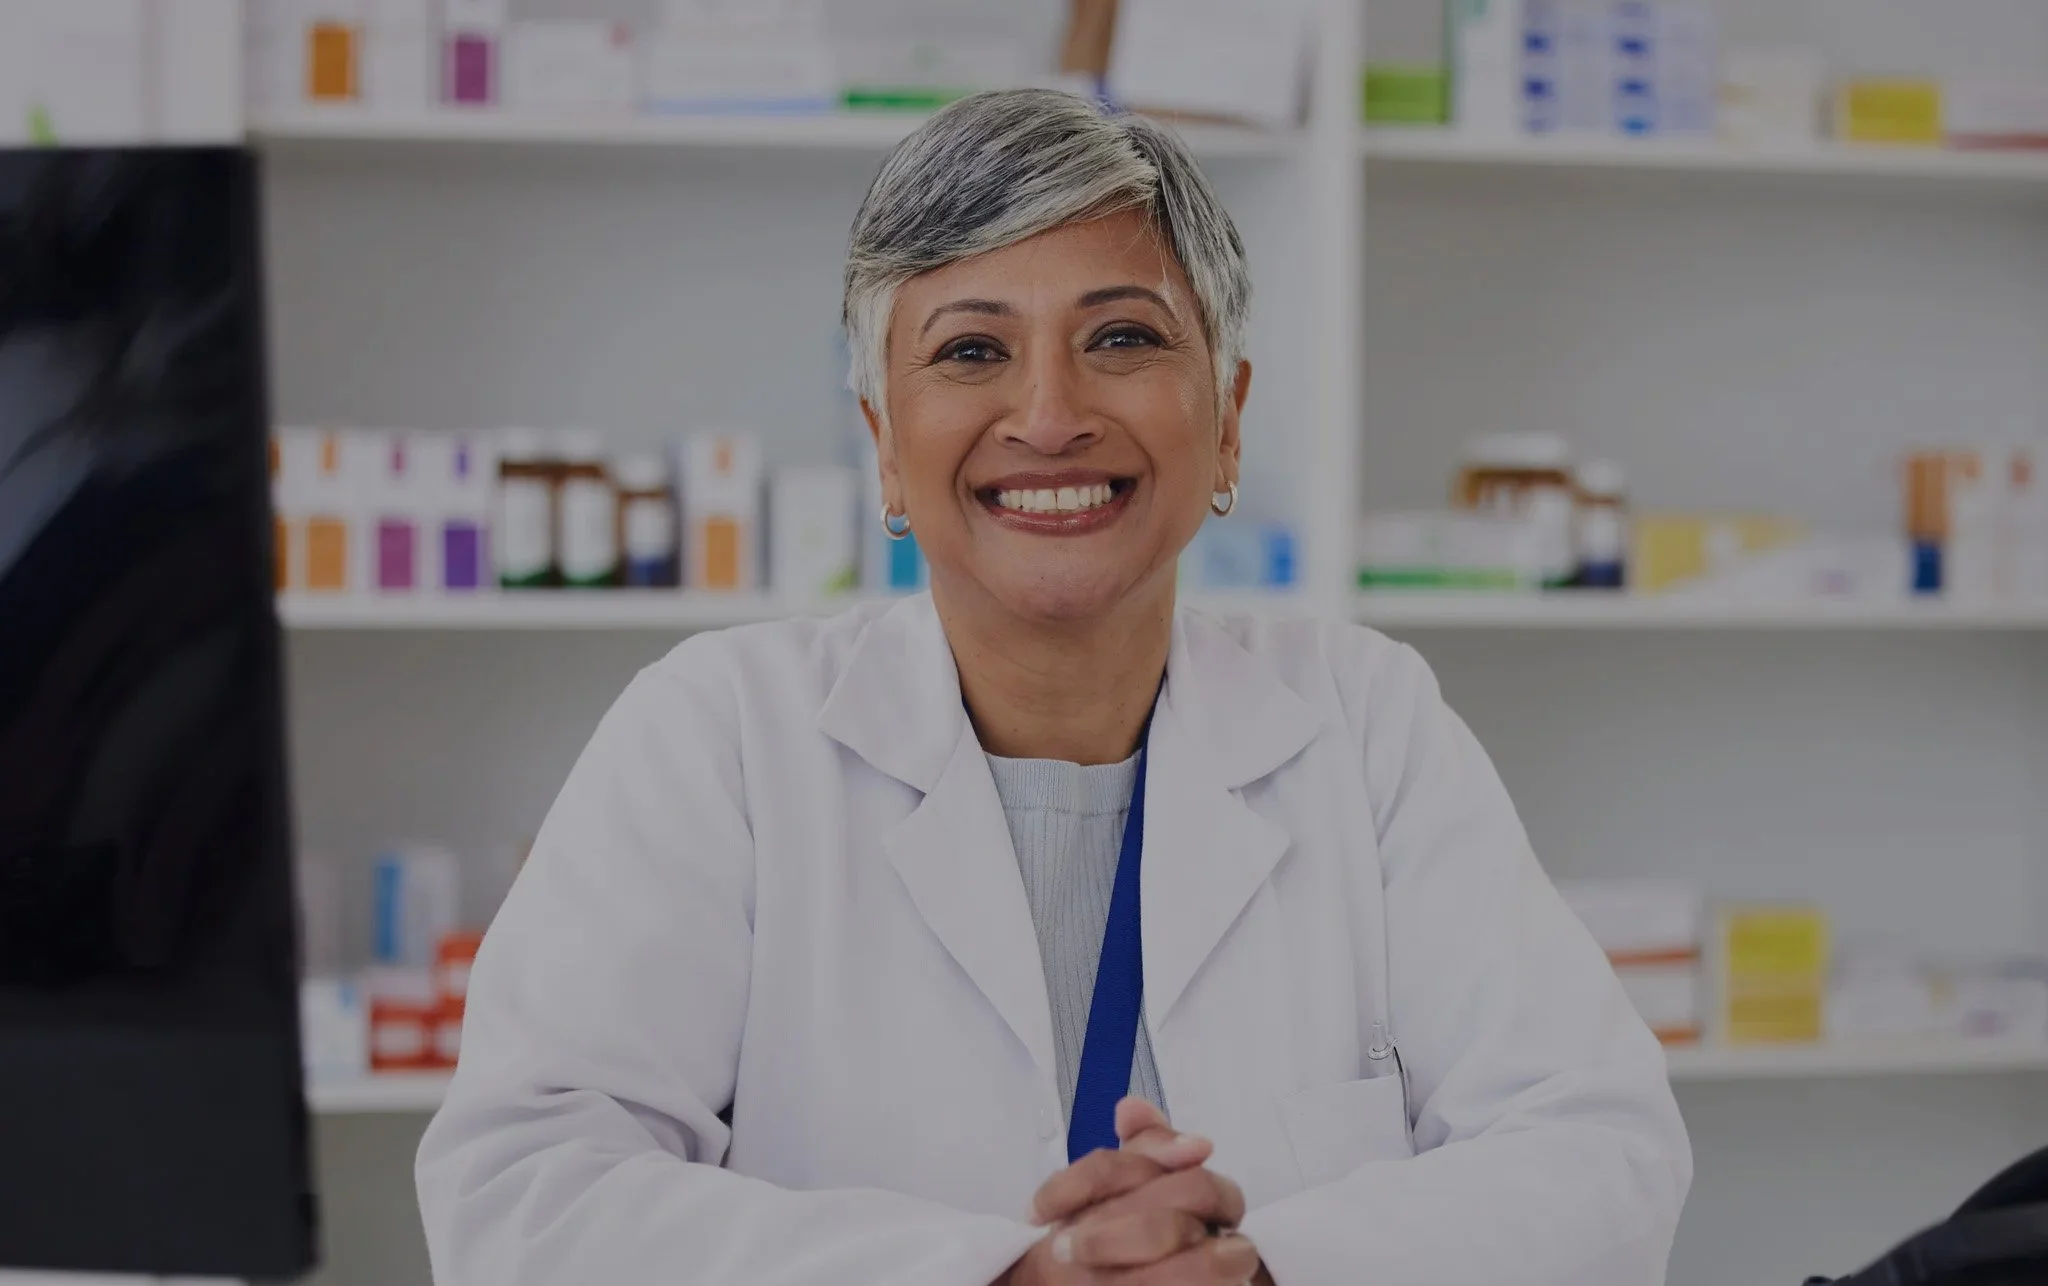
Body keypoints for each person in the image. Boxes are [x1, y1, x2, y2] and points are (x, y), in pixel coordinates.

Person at [416, 89, 1691, 1286]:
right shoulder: (719, 731)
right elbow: (525, 1194)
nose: (1048, 413)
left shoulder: (1366, 719)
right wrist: (998, 1274)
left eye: (1122, 336)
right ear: (885, 450)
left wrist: (1263, 1267)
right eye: (970, 349)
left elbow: (1598, 1151)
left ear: (1229, 417)